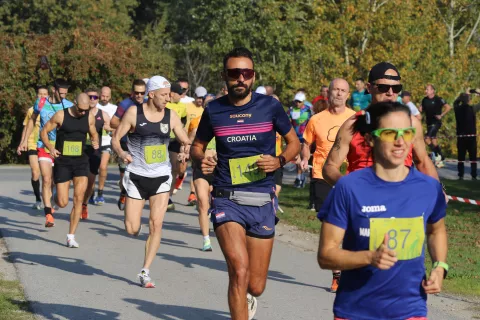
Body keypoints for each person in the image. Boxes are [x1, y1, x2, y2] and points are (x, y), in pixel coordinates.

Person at [191, 47, 300, 320]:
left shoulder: (270, 106)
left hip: (262, 197)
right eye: (234, 73)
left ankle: (248, 298)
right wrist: (203, 159)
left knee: (256, 285)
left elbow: (294, 143)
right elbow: (197, 146)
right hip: (227, 197)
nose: (240, 78)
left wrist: (279, 161)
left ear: (253, 76)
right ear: (224, 76)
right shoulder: (214, 110)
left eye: (246, 73)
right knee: (238, 270)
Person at [317, 101, 448, 320]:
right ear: (370, 139)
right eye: (389, 133)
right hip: (356, 311)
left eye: (406, 133)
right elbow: (326, 256)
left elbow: (436, 231)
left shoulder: (428, 188)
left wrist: (439, 266)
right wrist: (370, 257)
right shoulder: (348, 188)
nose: (400, 142)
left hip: (411, 310)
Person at [112, 75, 191, 288]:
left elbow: (185, 140)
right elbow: (116, 139)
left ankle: (145, 271)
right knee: (132, 229)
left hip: (162, 177)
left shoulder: (171, 116)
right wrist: (121, 153)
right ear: (151, 94)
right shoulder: (133, 113)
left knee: (156, 224)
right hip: (137, 176)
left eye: (169, 95)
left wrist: (185, 152)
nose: (168, 98)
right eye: (164, 95)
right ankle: (124, 192)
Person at [323, 62, 439, 185]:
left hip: (400, 197)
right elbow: (330, 167)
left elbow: (423, 161)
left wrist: (439, 190)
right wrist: (350, 189)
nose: (390, 93)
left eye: (396, 88)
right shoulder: (353, 124)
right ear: (369, 87)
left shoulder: (411, 123)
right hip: (364, 198)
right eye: (383, 87)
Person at [301, 78, 356, 292]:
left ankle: (348, 270)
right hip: (321, 175)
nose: (339, 94)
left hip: (349, 177)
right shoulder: (316, 119)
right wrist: (304, 157)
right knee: (333, 225)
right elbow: (306, 143)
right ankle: (338, 275)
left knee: (351, 225)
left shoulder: (355, 118)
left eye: (343, 91)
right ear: (328, 93)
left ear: (348, 95)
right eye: (336, 90)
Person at [40, 93, 99, 247]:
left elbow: (94, 134)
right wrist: (51, 147)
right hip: (63, 162)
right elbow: (44, 132)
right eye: (80, 110)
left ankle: (71, 236)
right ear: (74, 103)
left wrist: (95, 142)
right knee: (63, 202)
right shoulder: (61, 115)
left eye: (86, 110)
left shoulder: (89, 117)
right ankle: (55, 199)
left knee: (79, 198)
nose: (83, 113)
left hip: (81, 161)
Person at [17, 79, 74, 227]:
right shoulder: (41, 103)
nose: (63, 96)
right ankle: (48, 214)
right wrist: (24, 141)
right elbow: (32, 121)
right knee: (46, 179)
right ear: (54, 90)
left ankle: (53, 200)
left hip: (62, 148)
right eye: (61, 93)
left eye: (65, 94)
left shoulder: (68, 105)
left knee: (56, 182)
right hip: (44, 145)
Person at [110, 79, 147, 210]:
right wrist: (128, 125)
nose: (139, 96)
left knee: (138, 176)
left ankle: (131, 200)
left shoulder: (149, 104)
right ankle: (123, 191)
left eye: (142, 93)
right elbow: (113, 122)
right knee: (125, 175)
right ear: (132, 92)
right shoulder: (125, 104)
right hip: (125, 144)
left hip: (143, 145)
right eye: (136, 93)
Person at [187, 94, 216, 251]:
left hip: (219, 169)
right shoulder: (197, 124)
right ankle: (206, 240)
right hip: (201, 168)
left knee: (215, 203)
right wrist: (185, 152)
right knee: (203, 203)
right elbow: (188, 143)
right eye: (207, 105)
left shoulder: (223, 124)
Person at [81, 88, 111, 219]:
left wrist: (110, 129)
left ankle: (84, 204)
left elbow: (112, 129)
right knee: (80, 180)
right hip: (79, 150)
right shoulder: (79, 113)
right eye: (90, 97)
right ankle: (78, 204)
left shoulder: (103, 115)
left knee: (90, 182)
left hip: (95, 151)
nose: (92, 99)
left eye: (95, 97)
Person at [20, 85, 49, 209]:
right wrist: (23, 142)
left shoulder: (52, 110)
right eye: (40, 94)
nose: (42, 96)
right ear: (37, 95)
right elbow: (26, 127)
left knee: (46, 175)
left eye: (44, 94)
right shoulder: (32, 110)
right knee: (35, 172)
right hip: (33, 143)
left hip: (47, 144)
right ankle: (38, 199)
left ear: (48, 96)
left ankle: (48, 196)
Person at [184, 86, 208, 206]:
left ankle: (195, 194)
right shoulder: (187, 106)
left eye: (202, 98)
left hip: (203, 143)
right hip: (189, 139)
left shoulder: (205, 111)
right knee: (193, 169)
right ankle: (193, 193)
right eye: (198, 98)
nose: (200, 100)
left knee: (200, 169)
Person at [165, 82, 188, 210]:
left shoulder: (183, 107)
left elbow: (183, 125)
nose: (181, 96)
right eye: (180, 94)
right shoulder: (164, 104)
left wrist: (184, 143)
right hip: (162, 139)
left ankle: (168, 197)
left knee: (174, 168)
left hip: (175, 140)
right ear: (172, 93)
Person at [94, 86, 118, 205]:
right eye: (103, 96)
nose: (105, 98)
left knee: (103, 167)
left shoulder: (115, 109)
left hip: (106, 141)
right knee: (92, 169)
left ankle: (100, 193)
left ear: (110, 96)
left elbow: (118, 125)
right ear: (99, 95)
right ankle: (91, 191)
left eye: (107, 96)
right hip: (94, 142)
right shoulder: (94, 105)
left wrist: (110, 129)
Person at [421, 84, 452, 168]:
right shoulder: (424, 100)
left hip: (436, 122)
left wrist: (441, 115)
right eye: (425, 89)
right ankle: (439, 159)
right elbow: (421, 109)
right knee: (434, 142)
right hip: (429, 122)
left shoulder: (439, 99)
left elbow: (448, 107)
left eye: (427, 89)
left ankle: (440, 155)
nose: (426, 91)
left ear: (432, 91)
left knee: (427, 139)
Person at [453, 91, 480, 180]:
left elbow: (455, 102)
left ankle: (461, 175)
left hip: (461, 136)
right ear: (469, 100)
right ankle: (474, 175)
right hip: (471, 136)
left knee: (461, 157)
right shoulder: (472, 108)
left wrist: (461, 97)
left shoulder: (457, 109)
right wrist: (477, 92)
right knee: (473, 157)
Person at [288, 91, 312, 188]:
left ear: (303, 102)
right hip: (295, 138)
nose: (297, 103)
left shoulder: (308, 110)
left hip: (306, 138)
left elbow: (312, 122)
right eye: (296, 101)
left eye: (299, 101)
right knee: (297, 159)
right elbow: (287, 122)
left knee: (304, 158)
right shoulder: (291, 110)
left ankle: (301, 178)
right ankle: (299, 178)